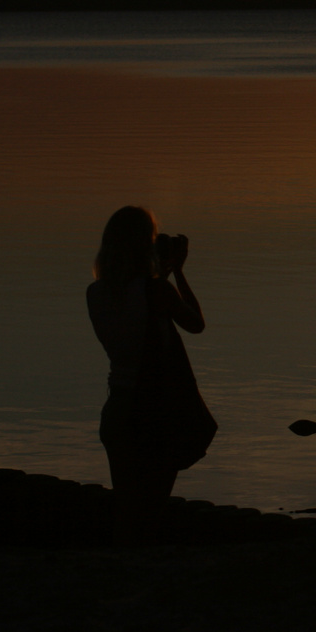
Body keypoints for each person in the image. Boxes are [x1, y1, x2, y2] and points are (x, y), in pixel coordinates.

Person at [86, 205, 217, 544]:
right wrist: (180, 273)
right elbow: (196, 324)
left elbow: (135, 318)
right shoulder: (157, 290)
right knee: (151, 513)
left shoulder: (95, 293)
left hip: (117, 411)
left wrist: (162, 274)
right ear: (145, 244)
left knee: (127, 512)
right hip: (155, 411)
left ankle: (118, 575)